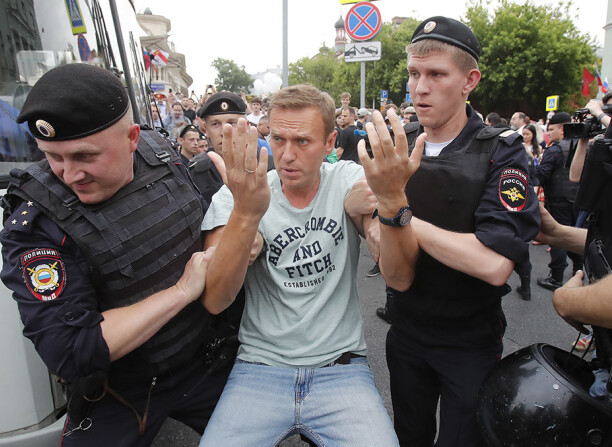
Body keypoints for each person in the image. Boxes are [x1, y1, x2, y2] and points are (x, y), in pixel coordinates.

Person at [0, 64, 230, 445]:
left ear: (132, 138)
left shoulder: (163, 154)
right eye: (52, 157)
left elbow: (200, 220)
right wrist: (180, 293)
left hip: (206, 360)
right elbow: (70, 350)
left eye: (85, 156)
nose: (69, 175)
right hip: (123, 391)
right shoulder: (39, 222)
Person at [359, 17, 540, 447]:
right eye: (414, 74)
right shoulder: (400, 142)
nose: (419, 88)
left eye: (436, 74)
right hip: (405, 332)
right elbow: (359, 203)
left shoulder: (502, 150)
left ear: (469, 80)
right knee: (409, 435)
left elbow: (494, 264)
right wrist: (371, 222)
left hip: (468, 342)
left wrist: (397, 212)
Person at [198, 84, 398, 446]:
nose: (286, 155)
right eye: (277, 139)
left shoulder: (347, 180)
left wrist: (384, 212)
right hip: (259, 367)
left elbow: (395, 268)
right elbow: (215, 299)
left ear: (329, 142)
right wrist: (245, 218)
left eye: (302, 142)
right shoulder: (242, 191)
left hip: (341, 367)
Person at [533, 112, 583, 290]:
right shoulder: (583, 146)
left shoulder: (554, 150)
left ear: (562, 129)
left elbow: (541, 175)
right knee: (576, 234)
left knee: (558, 237)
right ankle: (579, 272)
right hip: (579, 200)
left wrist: (533, 167)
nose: (549, 132)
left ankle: (556, 277)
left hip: (559, 200)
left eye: (552, 129)